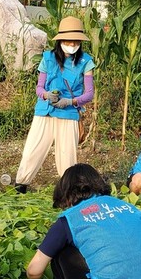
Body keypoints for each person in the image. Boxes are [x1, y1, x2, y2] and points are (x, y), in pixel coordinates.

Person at [13, 16, 95, 192]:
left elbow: (89, 94)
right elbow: (39, 88)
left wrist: (71, 101)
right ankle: (21, 185)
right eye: (68, 41)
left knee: (67, 157)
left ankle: (69, 192)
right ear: (60, 41)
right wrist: (46, 95)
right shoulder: (47, 58)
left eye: (75, 41)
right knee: (32, 151)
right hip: (45, 111)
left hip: (69, 113)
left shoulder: (86, 62)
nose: (72, 44)